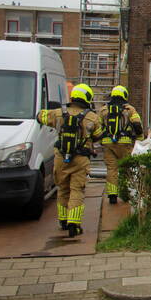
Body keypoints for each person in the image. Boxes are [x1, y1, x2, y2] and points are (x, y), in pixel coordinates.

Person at [37, 83, 103, 237]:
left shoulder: (59, 113)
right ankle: (74, 223)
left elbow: (40, 117)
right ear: (87, 98)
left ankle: (63, 220)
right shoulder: (92, 117)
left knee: (63, 189)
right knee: (77, 190)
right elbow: (98, 135)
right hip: (80, 159)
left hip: (61, 158)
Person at [101, 85, 144, 205]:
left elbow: (98, 128)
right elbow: (137, 125)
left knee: (111, 169)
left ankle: (112, 195)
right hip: (125, 142)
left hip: (108, 143)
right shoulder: (130, 109)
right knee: (126, 168)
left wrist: (100, 140)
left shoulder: (104, 110)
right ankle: (125, 193)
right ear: (124, 95)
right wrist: (140, 139)